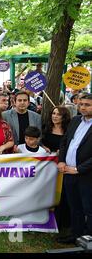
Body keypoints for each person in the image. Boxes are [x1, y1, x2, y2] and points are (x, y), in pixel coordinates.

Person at [57, 93, 92, 244]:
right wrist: (61, 161)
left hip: (86, 175)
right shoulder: (76, 120)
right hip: (68, 172)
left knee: (89, 209)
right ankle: (75, 234)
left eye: (87, 105)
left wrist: (79, 169)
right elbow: (65, 142)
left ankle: (88, 239)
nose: (83, 107)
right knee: (74, 206)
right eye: (81, 104)